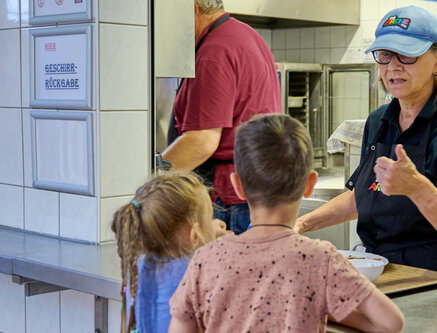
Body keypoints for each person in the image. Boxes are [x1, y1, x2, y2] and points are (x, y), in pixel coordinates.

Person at [168, 114, 404, 333]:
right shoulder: (320, 259)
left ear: (238, 186)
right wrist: (329, 308)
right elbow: (390, 322)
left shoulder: (206, 258)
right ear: (309, 184)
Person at [295, 6, 437, 278]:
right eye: (385, 55)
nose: (393, 66)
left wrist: (416, 189)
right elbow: (363, 196)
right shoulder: (379, 121)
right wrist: (299, 225)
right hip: (379, 270)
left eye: (407, 54)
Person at [161, 0, 280, 235]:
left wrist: (154, 181)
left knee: (224, 270)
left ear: (192, 8)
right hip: (253, 188)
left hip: (228, 200)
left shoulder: (213, 51)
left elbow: (201, 141)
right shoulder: (245, 35)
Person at [111, 173, 228, 333]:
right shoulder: (195, 271)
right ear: (194, 235)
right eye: (209, 219)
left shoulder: (137, 264)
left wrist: (206, 232)